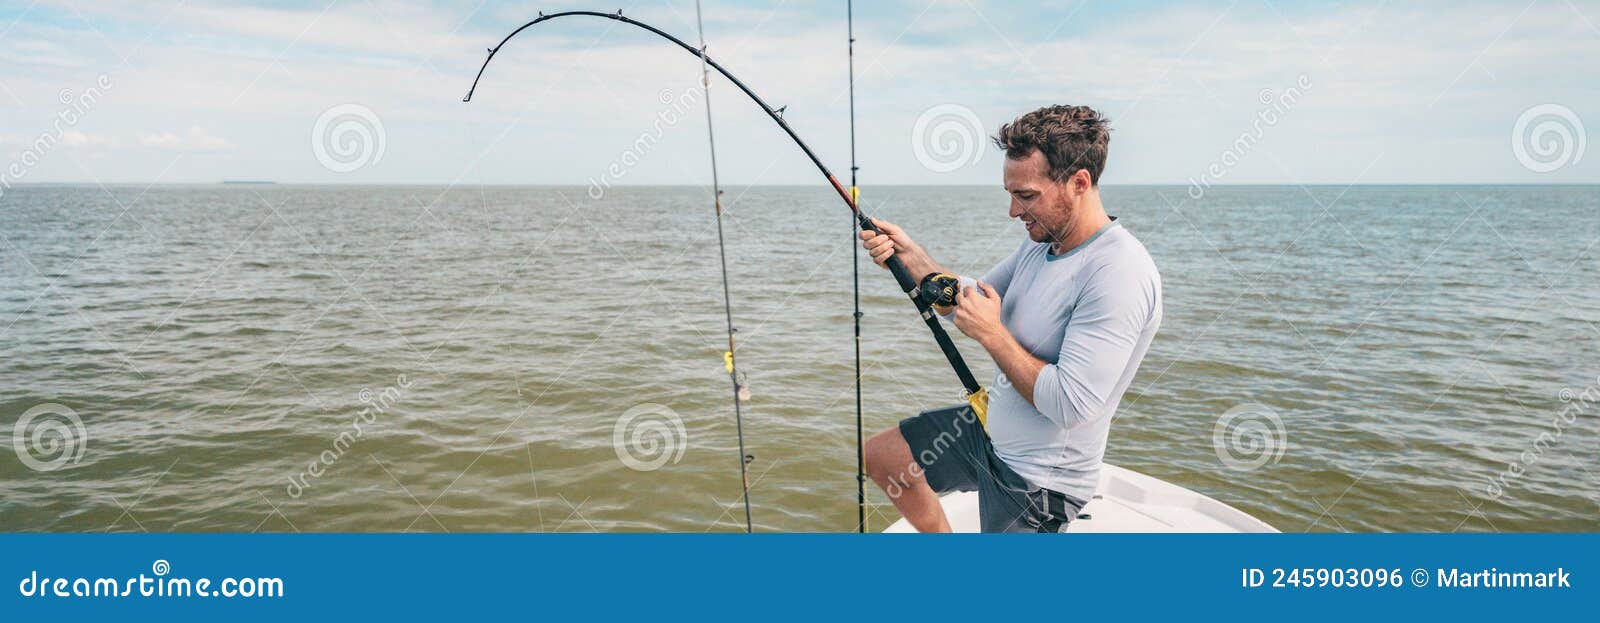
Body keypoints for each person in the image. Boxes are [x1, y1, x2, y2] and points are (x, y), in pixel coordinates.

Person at [860, 105, 1162, 532]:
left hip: (1037, 485)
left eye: (1026, 196)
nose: (1013, 211)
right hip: (991, 438)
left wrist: (992, 334)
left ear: (1079, 183)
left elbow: (1070, 405)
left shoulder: (1117, 272)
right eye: (1010, 193)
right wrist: (912, 256)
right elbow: (968, 297)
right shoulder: (1042, 245)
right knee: (886, 459)